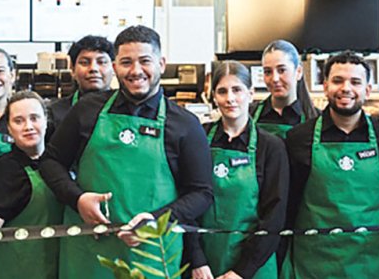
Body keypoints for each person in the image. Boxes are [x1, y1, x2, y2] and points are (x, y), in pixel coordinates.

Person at [41, 25, 213, 279]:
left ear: (162, 63)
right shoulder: (87, 110)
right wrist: (77, 199)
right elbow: (50, 161)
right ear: (115, 66)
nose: (135, 71)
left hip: (153, 254)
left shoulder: (185, 124)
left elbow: (201, 192)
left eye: (145, 61)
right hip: (88, 254)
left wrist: (157, 220)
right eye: (126, 62)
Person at [285, 51, 379, 279]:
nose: (346, 88)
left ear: (368, 90)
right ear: (325, 87)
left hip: (376, 262)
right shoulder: (298, 138)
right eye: (337, 81)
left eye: (355, 82)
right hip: (314, 263)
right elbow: (288, 207)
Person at [188, 62, 288, 279]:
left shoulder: (271, 147)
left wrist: (242, 271)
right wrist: (196, 260)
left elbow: (275, 216)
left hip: (254, 267)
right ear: (213, 96)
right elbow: (187, 202)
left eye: (237, 90)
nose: (230, 98)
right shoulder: (198, 138)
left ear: (251, 93)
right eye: (222, 91)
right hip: (205, 266)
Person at [0, 91, 63, 279]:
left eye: (34, 118)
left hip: (59, 266)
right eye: (19, 121)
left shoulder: (62, 162)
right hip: (17, 269)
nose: (28, 126)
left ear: (46, 120)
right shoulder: (5, 169)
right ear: (9, 127)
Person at [254, 40, 318, 139]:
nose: (275, 78)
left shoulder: (316, 119)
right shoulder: (250, 114)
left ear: (298, 72)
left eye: (282, 70)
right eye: (268, 72)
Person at [46, 35, 115, 127]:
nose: (93, 68)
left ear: (114, 68)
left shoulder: (127, 110)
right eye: (84, 63)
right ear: (72, 69)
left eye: (101, 62)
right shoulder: (55, 112)